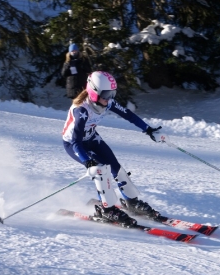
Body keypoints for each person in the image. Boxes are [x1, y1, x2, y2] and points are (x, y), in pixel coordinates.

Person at [62, 71, 162, 227]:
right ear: (93, 93)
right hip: (75, 144)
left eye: (112, 94)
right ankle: (106, 209)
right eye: (106, 94)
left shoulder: (107, 102)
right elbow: (75, 142)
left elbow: (128, 115)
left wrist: (148, 129)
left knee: (116, 169)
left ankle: (131, 203)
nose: (109, 98)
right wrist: (87, 161)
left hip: (92, 138)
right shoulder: (81, 111)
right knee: (101, 171)